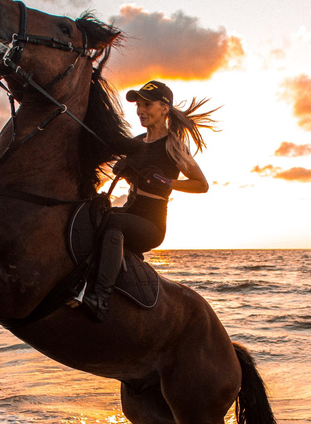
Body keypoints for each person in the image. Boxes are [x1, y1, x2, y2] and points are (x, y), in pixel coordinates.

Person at [83, 80, 216, 321]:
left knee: (113, 226)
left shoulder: (173, 146)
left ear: (165, 108)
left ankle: (100, 298)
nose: (141, 110)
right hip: (129, 209)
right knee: (92, 216)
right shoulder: (136, 142)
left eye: (147, 104)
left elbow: (202, 185)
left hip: (152, 223)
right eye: (138, 105)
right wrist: (121, 169)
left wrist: (166, 182)